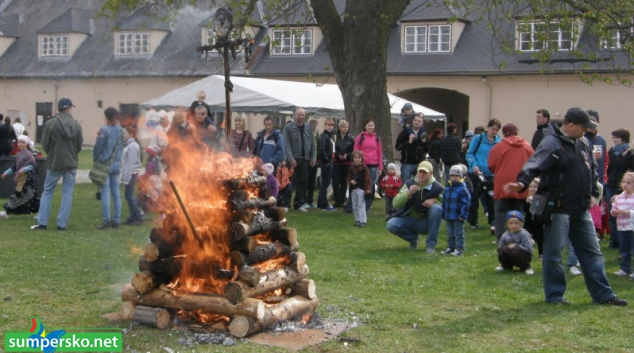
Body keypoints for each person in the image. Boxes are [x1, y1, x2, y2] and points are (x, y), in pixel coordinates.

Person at [505, 107, 627, 306]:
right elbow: (534, 164)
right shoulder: (551, 143)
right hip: (558, 208)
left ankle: (603, 296)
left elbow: (592, 170)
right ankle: (555, 296)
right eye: (585, 126)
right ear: (571, 125)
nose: (588, 130)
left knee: (593, 252)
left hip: (580, 208)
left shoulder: (583, 142)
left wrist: (594, 193)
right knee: (554, 253)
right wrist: (522, 182)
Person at [31, 98, 83, 231]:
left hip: (55, 162)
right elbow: (79, 145)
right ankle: (62, 225)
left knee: (48, 192)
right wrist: (72, 154)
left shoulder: (50, 124)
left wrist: (52, 153)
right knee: (67, 194)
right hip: (71, 163)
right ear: (68, 108)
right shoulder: (76, 125)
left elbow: (45, 143)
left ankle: (42, 223)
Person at [488, 123, 534, 242]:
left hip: (503, 184)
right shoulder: (527, 146)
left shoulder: (499, 146)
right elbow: (533, 163)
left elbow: (491, 165)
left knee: (501, 212)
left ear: (503, 133)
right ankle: (517, 237)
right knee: (518, 211)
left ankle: (502, 239)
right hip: (520, 184)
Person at [386, 161, 444, 252]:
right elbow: (395, 204)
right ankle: (413, 239)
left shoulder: (437, 188)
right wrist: (408, 194)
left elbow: (448, 206)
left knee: (436, 208)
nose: (421, 175)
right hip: (409, 220)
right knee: (391, 224)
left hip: (427, 223)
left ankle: (431, 245)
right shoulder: (409, 184)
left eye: (424, 172)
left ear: (431, 174)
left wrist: (435, 201)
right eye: (419, 171)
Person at [466, 119, 501, 231]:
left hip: (490, 174)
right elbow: (470, 153)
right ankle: (473, 221)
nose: (494, 131)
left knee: (491, 198)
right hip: (476, 173)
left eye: (496, 130)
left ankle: (493, 222)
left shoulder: (498, 141)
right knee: (474, 197)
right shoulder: (479, 138)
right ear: (488, 127)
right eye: (492, 129)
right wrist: (474, 165)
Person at [93, 107, 124, 230]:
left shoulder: (104, 130)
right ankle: (116, 219)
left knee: (105, 192)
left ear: (106, 117)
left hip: (105, 163)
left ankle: (106, 220)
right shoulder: (121, 130)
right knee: (116, 193)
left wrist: (96, 159)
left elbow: (98, 147)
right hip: (116, 163)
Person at [283, 108, 316, 212]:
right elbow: (286, 145)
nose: (301, 117)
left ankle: (299, 204)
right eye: (299, 115)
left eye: (303, 115)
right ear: (295, 115)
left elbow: (313, 144)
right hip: (292, 159)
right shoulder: (288, 128)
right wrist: (291, 159)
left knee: (303, 182)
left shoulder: (308, 128)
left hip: (305, 159)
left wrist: (313, 157)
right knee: (288, 182)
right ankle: (286, 204)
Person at [606, 128, 634, 249]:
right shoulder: (612, 151)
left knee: (625, 214)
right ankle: (615, 241)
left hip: (623, 185)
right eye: (613, 137)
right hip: (611, 184)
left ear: (623, 138)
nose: (614, 140)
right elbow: (610, 168)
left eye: (616, 137)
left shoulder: (630, 152)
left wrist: (621, 190)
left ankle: (626, 243)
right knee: (612, 213)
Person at [0, 135, 40, 219]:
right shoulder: (19, 154)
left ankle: (7, 212)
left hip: (27, 179)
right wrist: (6, 173)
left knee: (24, 195)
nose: (20, 144)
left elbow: (33, 165)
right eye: (19, 142)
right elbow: (14, 166)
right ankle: (7, 212)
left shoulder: (29, 154)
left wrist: (24, 169)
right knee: (25, 196)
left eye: (23, 142)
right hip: (21, 179)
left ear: (27, 144)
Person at [440, 165, 471, 256]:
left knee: (458, 233)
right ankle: (451, 247)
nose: (454, 178)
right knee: (450, 233)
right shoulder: (447, 188)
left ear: (461, 177)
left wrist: (463, 215)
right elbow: (444, 202)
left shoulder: (463, 189)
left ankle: (459, 249)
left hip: (458, 216)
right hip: (449, 215)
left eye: (457, 176)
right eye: (452, 176)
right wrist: (443, 214)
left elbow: (465, 203)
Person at [354, 118, 383, 212]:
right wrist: (355, 163)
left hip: (373, 165)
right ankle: (360, 203)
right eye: (369, 125)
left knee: (370, 184)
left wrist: (380, 167)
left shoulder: (377, 138)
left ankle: (368, 204)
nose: (370, 127)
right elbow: (356, 151)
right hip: (362, 164)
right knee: (362, 184)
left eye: (372, 125)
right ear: (365, 126)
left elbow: (379, 153)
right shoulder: (360, 137)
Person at [495, 210, 535, 275]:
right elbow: (500, 247)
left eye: (516, 223)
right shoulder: (505, 234)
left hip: (523, 256)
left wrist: (516, 246)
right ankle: (505, 266)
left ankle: (526, 267)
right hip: (511, 255)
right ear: (507, 224)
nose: (513, 225)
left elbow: (528, 249)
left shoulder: (524, 234)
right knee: (502, 250)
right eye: (511, 223)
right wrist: (507, 248)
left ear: (520, 224)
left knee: (514, 250)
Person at [611, 172, 634, 278]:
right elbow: (613, 209)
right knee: (624, 249)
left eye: (629, 183)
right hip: (621, 227)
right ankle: (625, 268)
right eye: (624, 182)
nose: (625, 184)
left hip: (632, 227)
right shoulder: (619, 197)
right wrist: (614, 211)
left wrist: (627, 212)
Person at [395, 114, 428, 181]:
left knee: (420, 184)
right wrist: (409, 142)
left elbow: (427, 150)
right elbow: (398, 147)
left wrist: (424, 142)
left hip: (419, 163)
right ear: (412, 121)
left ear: (422, 123)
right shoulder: (405, 132)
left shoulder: (423, 134)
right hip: (407, 163)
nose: (417, 122)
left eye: (419, 121)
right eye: (415, 120)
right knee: (405, 185)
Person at [121, 126, 143, 226]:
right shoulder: (129, 145)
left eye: (125, 133)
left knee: (129, 196)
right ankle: (133, 216)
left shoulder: (133, 146)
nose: (123, 135)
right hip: (130, 173)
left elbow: (131, 163)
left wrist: (127, 177)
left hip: (132, 173)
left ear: (131, 134)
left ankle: (138, 216)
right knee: (128, 195)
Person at [333, 119, 354, 208]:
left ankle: (342, 200)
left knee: (344, 182)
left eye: (346, 127)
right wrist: (338, 156)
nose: (344, 129)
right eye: (343, 127)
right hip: (337, 163)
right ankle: (337, 200)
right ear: (340, 128)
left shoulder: (351, 139)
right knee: (335, 182)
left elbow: (353, 151)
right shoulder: (335, 138)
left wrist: (347, 155)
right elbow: (333, 150)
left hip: (347, 163)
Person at [347, 150, 371, 227]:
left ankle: (363, 220)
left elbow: (367, 179)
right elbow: (348, 177)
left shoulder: (364, 167)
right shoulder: (351, 167)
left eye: (358, 157)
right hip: (353, 188)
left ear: (361, 158)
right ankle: (357, 219)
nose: (357, 159)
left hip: (361, 188)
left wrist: (367, 189)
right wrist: (350, 181)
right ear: (352, 158)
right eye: (355, 157)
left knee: (361, 205)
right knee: (355, 205)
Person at [317, 119, 336, 211]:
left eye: (332, 125)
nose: (330, 127)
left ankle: (321, 202)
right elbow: (322, 149)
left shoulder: (328, 136)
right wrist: (327, 160)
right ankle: (324, 203)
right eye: (328, 125)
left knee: (325, 183)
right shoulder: (324, 136)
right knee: (325, 183)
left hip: (328, 161)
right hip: (326, 162)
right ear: (325, 125)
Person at [523, 178, 544, 260]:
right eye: (531, 187)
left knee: (541, 238)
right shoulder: (527, 198)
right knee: (527, 237)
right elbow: (525, 210)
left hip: (539, 223)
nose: (532, 188)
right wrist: (527, 203)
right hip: (529, 222)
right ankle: (526, 252)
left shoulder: (541, 198)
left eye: (535, 187)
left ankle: (541, 253)